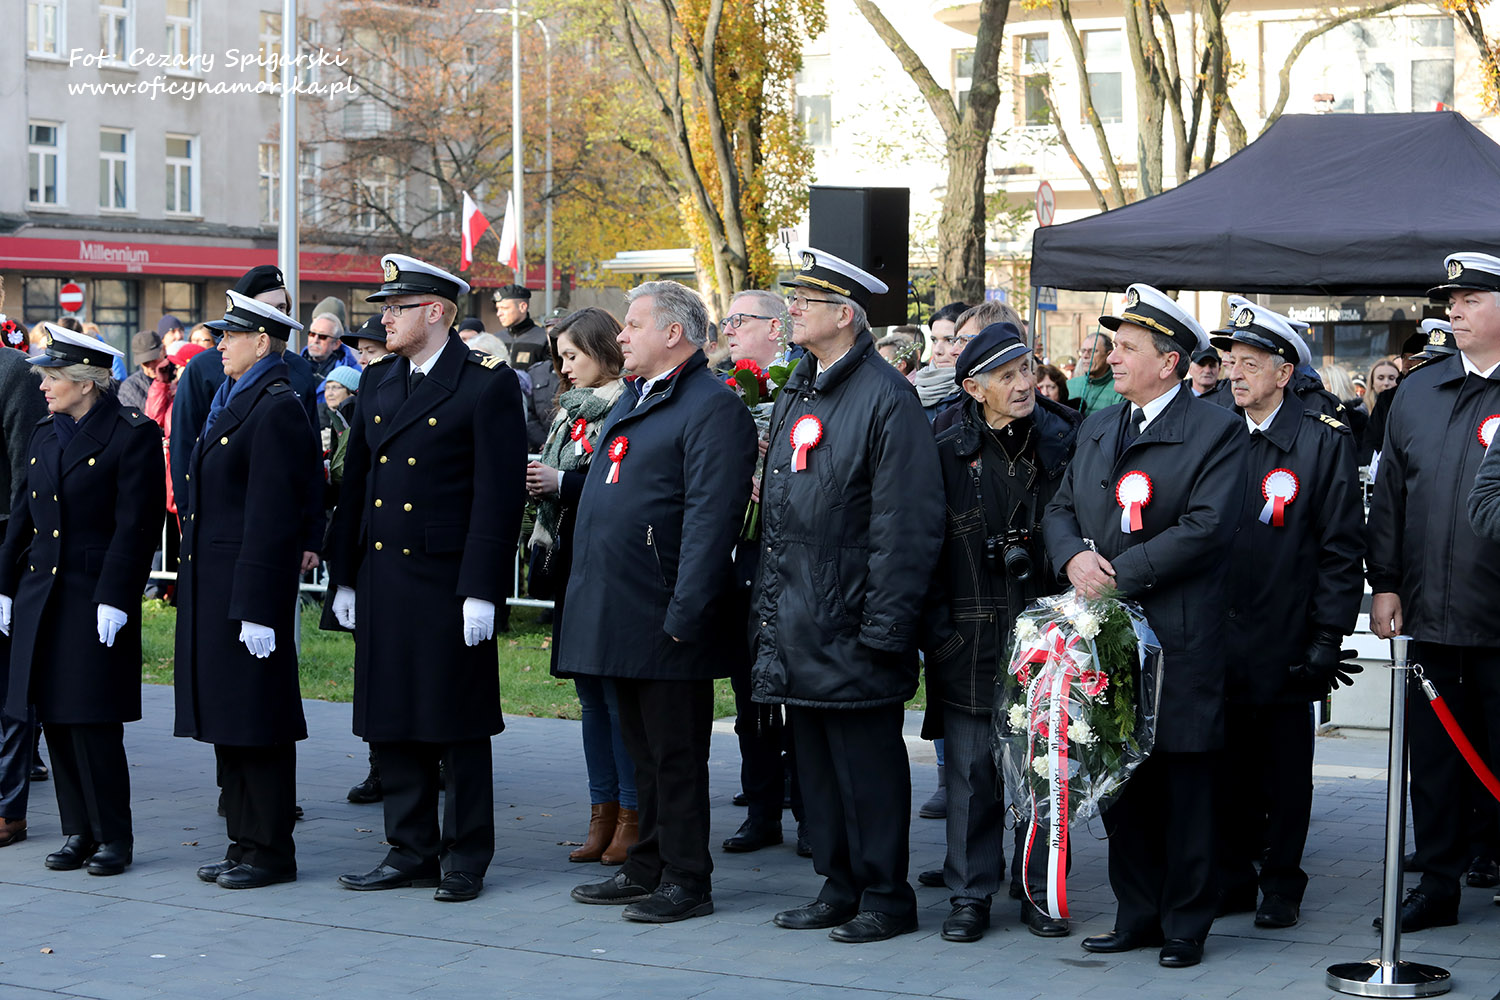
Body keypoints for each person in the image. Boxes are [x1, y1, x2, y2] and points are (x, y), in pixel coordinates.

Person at [1042, 283, 1248, 968]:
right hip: (1106, 634)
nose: (1113, 357)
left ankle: (1185, 923)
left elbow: (1208, 526)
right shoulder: (1101, 421)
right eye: (1114, 345)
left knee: (1184, 785)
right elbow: (1061, 506)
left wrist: (1119, 573)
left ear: (1169, 362)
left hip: (1179, 635)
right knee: (1120, 779)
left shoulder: (1216, 429)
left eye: (1128, 348)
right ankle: (1136, 913)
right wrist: (1072, 558)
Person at [753, 247, 943, 944]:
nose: (792, 309)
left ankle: (886, 895)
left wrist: (886, 628)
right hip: (799, 617)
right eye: (793, 298)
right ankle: (838, 885)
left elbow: (907, 524)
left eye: (805, 300)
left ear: (845, 315)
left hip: (855, 622)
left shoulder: (886, 396)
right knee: (816, 771)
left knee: (867, 772)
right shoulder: (800, 386)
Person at [329, 255, 526, 904]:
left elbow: (498, 496)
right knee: (392, 716)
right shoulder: (380, 379)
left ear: (435, 311)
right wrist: (345, 576)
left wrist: (482, 590)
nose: (383, 319)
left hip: (447, 579)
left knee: (456, 721)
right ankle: (409, 848)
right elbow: (356, 486)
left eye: (397, 307)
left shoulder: (484, 383)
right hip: (385, 573)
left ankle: (465, 855)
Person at [561, 281, 755, 923]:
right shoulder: (639, 395)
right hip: (622, 608)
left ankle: (686, 878)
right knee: (642, 752)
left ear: (673, 333)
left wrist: (686, 610)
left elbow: (711, 520)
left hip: (668, 612)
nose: (620, 335)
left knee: (675, 756)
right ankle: (647, 865)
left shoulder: (711, 405)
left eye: (633, 324)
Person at [1208, 301, 1365, 930]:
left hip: (1284, 629)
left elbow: (1340, 547)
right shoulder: (1216, 427)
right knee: (1225, 761)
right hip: (1218, 629)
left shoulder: (1322, 438)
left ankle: (1281, 882)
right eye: (1230, 362)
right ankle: (1232, 876)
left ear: (1284, 373)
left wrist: (1328, 633)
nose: (1235, 374)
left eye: (1249, 364)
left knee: (1284, 767)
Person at [923, 323, 1081, 943]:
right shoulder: (943, 449)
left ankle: (1040, 891)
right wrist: (939, 634)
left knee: (1046, 770)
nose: (1024, 385)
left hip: (1048, 633)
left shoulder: (1065, 440)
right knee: (971, 776)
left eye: (1027, 371)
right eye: (1007, 376)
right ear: (973, 388)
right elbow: (922, 548)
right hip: (967, 635)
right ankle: (970, 894)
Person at [1367, 251, 1500, 931]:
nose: (1456, 311)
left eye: (1472, 299)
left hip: (1496, 617)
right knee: (1436, 759)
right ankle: (1438, 883)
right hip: (1430, 613)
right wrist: (1385, 584)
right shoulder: (1420, 392)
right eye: (1453, 301)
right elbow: (1390, 495)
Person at [0, 325, 163, 875]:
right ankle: (78, 831)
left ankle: (113, 835)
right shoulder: (46, 432)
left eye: (52, 378)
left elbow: (137, 525)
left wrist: (117, 595)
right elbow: (23, 515)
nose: (43, 387)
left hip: (94, 597)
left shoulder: (131, 434)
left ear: (85, 382)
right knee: (55, 717)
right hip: (42, 595)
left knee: (93, 720)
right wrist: (4, 585)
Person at [173, 290, 321, 890]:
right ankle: (243, 842)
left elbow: (271, 512)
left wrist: (259, 606)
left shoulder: (276, 406)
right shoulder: (236, 397)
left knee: (258, 720)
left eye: (230, 336)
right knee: (231, 718)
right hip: (219, 584)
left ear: (262, 342)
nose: (219, 345)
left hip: (247, 588)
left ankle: (270, 851)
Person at [523, 308, 636, 865]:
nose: (563, 369)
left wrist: (561, 482)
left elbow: (624, 485)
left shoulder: (628, 405)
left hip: (610, 571)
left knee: (615, 700)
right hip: (570, 563)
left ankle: (631, 815)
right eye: (559, 358)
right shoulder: (569, 411)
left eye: (572, 356)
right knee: (589, 697)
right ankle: (601, 812)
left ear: (602, 350)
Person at [717, 290, 807, 856]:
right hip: (742, 560)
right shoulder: (723, 388)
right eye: (726, 320)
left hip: (794, 562)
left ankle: (809, 809)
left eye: (739, 320)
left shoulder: (804, 384)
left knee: (799, 697)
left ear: (776, 329)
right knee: (749, 694)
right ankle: (761, 808)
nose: (728, 328)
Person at [0, 310, 62, 848]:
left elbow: (27, 479)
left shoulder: (14, 373)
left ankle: (7, 809)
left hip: (4, 547)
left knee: (9, 689)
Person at [1065, 330, 1125, 415]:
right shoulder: (1069, 385)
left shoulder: (1120, 389)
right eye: (1083, 351)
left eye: (1093, 351)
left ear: (1109, 355)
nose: (1085, 356)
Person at [494, 284, 550, 369]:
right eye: (497, 308)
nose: (499, 314)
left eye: (504, 308)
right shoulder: (495, 340)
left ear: (523, 307)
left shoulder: (544, 339)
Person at [118, 330, 165, 410]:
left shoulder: (177, 377)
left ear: (163, 350)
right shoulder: (130, 387)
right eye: (146, 363)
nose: (151, 366)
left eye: (154, 360)